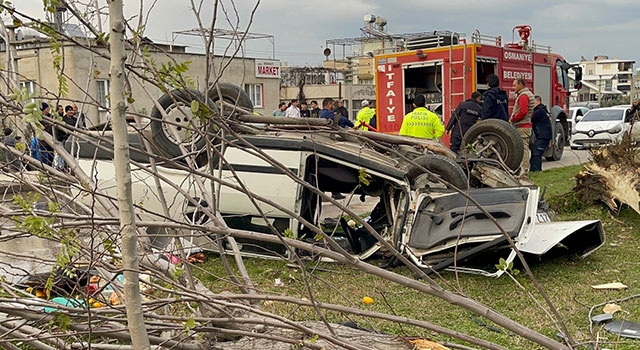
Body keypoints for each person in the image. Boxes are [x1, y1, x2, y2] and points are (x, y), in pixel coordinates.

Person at [509, 78, 535, 177]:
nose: (513, 88)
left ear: (520, 85)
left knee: (523, 149)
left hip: (521, 126)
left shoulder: (523, 96)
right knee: (523, 149)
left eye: (514, 85)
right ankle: (523, 170)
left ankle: (524, 171)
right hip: (525, 125)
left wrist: (513, 119)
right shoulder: (528, 94)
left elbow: (523, 112)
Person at [530, 96, 553, 172]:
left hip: (542, 135)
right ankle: (537, 170)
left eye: (533, 102)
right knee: (536, 152)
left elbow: (531, 118)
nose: (532, 104)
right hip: (544, 135)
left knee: (536, 153)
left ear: (538, 101)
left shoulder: (539, 111)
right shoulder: (543, 110)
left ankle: (535, 170)